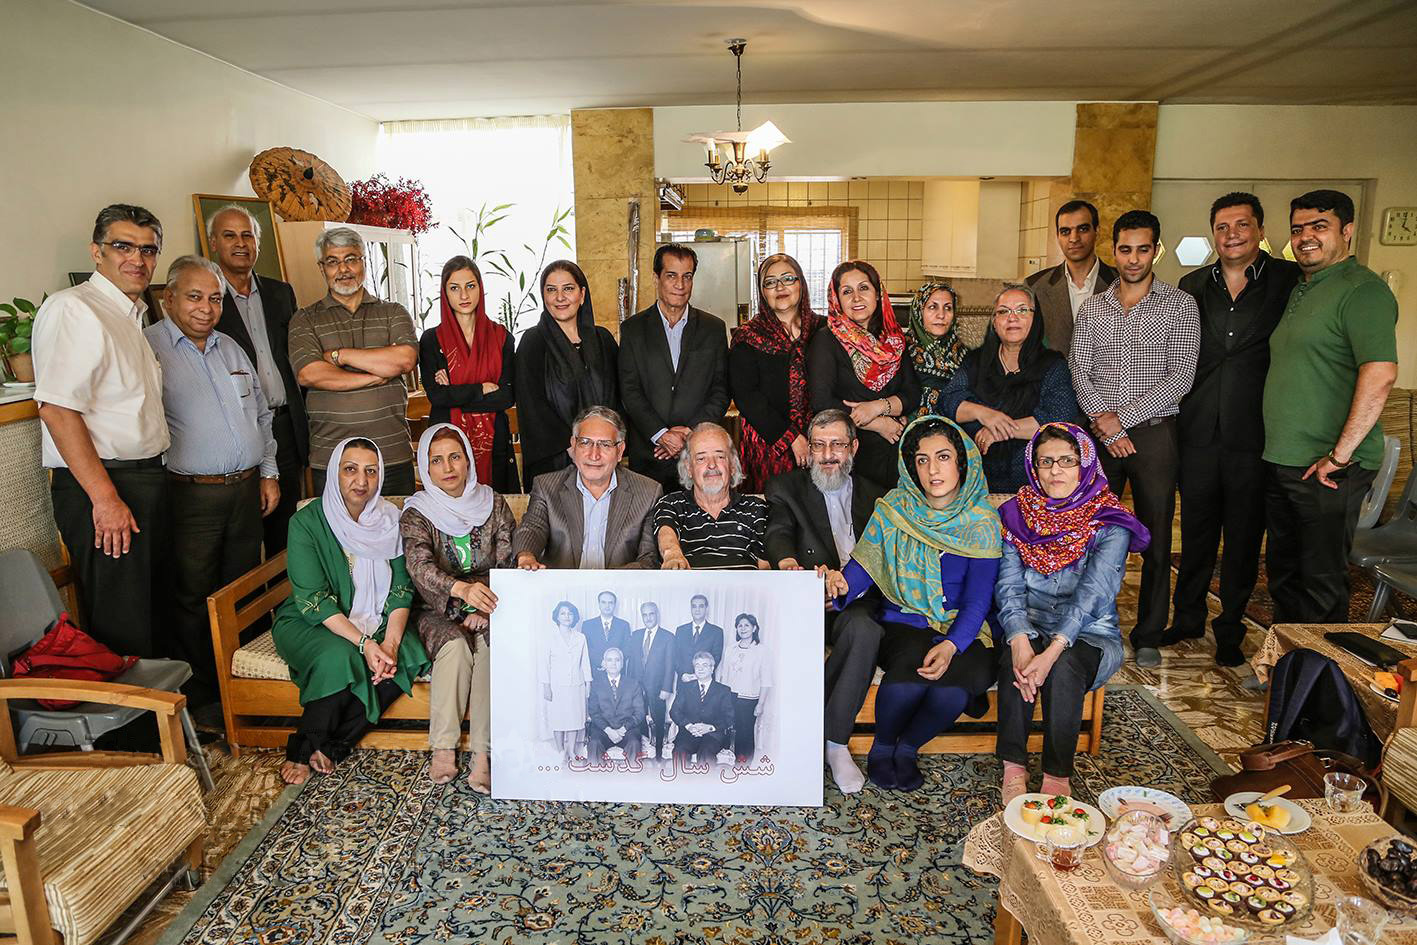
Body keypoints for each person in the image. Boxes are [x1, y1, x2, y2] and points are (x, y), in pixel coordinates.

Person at [824, 416, 1001, 792]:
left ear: (962, 461)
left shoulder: (983, 521)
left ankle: (906, 748)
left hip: (962, 627)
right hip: (904, 623)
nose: (932, 469)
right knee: (903, 684)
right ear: (910, 465)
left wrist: (953, 644)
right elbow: (863, 569)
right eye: (921, 460)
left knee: (952, 691)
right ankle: (882, 746)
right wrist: (835, 588)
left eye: (942, 457)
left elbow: (977, 599)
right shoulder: (894, 509)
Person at [1164, 193, 1301, 666]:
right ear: (1213, 234)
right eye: (1222, 227)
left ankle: (1229, 628)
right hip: (1198, 425)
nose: (1232, 234)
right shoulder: (1192, 285)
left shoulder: (1287, 281)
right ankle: (1186, 619)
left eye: (1242, 224)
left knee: (1243, 537)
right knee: (1197, 532)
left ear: (1260, 230)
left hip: (1255, 429)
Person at [143, 255, 280, 708]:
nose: (206, 307)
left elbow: (260, 414)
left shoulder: (231, 348)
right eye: (195, 297)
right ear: (169, 298)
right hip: (190, 496)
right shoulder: (148, 349)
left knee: (241, 589)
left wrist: (268, 472)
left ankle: (246, 686)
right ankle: (204, 696)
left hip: (246, 491)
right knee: (193, 596)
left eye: (215, 298)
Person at [34, 204, 170, 657]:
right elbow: (57, 410)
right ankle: (129, 729)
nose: (137, 258)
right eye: (122, 246)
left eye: (147, 249)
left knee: (149, 611)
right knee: (121, 620)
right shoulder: (74, 310)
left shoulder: (130, 315)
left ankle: (162, 724)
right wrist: (105, 498)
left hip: (143, 478)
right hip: (105, 484)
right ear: (96, 252)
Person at [1070, 209, 1200, 668]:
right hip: (1100, 437)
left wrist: (1122, 421)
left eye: (1143, 249)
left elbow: (1181, 376)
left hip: (1153, 434)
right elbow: (1079, 370)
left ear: (1156, 250)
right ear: (1114, 250)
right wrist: (1103, 421)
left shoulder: (1179, 306)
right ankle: (1087, 621)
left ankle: (1148, 631)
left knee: (1157, 537)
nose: (1133, 258)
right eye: (1125, 249)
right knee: (1088, 533)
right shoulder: (1095, 308)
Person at [994, 423, 1150, 803]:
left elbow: (1095, 593)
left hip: (1090, 633)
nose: (1055, 471)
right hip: (1030, 623)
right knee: (1014, 659)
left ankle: (1056, 776)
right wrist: (1018, 637)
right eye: (1045, 461)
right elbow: (1009, 586)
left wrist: (1051, 651)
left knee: (1063, 667)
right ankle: (1013, 767)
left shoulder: (1110, 521)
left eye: (1067, 460)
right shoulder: (1017, 514)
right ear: (1033, 466)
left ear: (1085, 464)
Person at [1263, 189, 1399, 624]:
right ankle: (1286, 668)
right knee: (1284, 574)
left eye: (1319, 226)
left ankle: (1320, 682)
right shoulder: (1303, 288)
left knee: (1321, 581)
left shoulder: (1363, 291)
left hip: (1328, 468)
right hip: (1283, 459)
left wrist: (1339, 457)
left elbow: (1380, 374)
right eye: (1298, 228)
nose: (1306, 237)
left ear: (1347, 230)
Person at [272, 438, 431, 785]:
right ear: (334, 474)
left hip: (376, 621)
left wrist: (388, 644)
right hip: (311, 621)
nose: (361, 481)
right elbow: (314, 598)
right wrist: (365, 645)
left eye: (371, 471)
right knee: (340, 655)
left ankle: (335, 743)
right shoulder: (307, 523)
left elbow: (402, 588)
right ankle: (303, 746)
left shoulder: (391, 520)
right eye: (351, 469)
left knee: (411, 651)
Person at [763, 408, 888, 792]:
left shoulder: (879, 494)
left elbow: (884, 555)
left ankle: (834, 744)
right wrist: (789, 568)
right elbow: (779, 532)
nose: (828, 454)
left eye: (837, 444)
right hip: (808, 600)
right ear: (809, 450)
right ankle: (794, 737)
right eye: (819, 445)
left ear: (853, 447)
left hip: (860, 600)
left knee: (866, 631)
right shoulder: (786, 488)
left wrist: (848, 586)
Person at [399, 423, 514, 791]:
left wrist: (485, 606)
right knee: (455, 647)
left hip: (492, 605)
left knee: (490, 648)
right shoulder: (417, 513)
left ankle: (483, 753)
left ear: (468, 461)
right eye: (436, 460)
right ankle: (444, 746)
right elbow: (419, 568)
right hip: (436, 608)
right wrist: (461, 596)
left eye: (455, 457)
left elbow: (507, 560)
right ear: (425, 468)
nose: (447, 467)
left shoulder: (493, 503)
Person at [288, 228, 419, 495]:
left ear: (364, 261)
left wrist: (339, 356)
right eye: (333, 261)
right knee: (336, 538)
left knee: (398, 535)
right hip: (332, 459)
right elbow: (311, 374)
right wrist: (374, 375)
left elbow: (404, 360)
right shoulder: (305, 319)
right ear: (321, 268)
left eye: (351, 258)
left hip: (391, 456)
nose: (343, 269)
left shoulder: (393, 312)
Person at [209, 203, 308, 554]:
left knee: (287, 535)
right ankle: (253, 609)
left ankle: (287, 607)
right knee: (245, 541)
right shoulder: (207, 302)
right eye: (230, 235)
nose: (240, 243)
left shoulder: (281, 293)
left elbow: (297, 358)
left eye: (247, 234)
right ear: (213, 245)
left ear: (258, 243)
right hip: (238, 434)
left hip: (284, 429)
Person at [939, 284, 1080, 493]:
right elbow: (948, 401)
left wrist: (998, 432)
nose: (1012, 318)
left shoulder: (1053, 365)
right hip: (978, 479)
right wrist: (985, 414)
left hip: (1033, 479)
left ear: (1035, 319)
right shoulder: (976, 362)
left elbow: (1058, 417)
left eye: (1022, 310)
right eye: (1003, 311)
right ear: (995, 322)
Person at [618, 244, 731, 490]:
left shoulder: (713, 329)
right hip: (650, 454)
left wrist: (689, 434)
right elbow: (629, 390)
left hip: (699, 455)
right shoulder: (633, 330)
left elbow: (721, 390)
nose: (680, 284)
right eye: (671, 275)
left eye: (687, 276)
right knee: (647, 525)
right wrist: (661, 434)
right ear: (656, 277)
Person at [808, 260, 921, 486]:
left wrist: (878, 407)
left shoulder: (894, 339)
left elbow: (912, 393)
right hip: (852, 455)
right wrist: (878, 424)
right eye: (847, 291)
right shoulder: (826, 340)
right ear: (837, 299)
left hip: (896, 453)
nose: (856, 298)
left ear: (877, 294)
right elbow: (822, 402)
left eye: (864, 288)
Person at [512, 406, 661, 570]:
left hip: (618, 590)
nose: (594, 455)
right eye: (585, 442)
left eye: (605, 445)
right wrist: (526, 555)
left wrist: (603, 582)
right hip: (562, 591)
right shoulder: (547, 486)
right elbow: (532, 528)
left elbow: (649, 558)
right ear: (573, 445)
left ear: (620, 450)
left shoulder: (648, 492)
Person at [515, 261, 619, 491]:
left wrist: (601, 445)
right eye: (551, 290)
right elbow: (532, 406)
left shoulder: (604, 341)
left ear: (582, 294)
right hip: (554, 460)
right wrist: (575, 446)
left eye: (568, 289)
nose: (560, 297)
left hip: (602, 458)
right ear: (543, 296)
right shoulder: (532, 343)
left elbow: (617, 398)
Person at [418, 256, 519, 493]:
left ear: (480, 288)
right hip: (447, 442)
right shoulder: (432, 340)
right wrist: (482, 388)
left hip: (494, 442)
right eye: (455, 288)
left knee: (496, 507)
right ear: (445, 293)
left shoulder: (502, 337)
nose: (464, 296)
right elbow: (437, 398)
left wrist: (454, 392)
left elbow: (505, 397)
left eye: (470, 286)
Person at [729, 253, 823, 492]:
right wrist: (791, 437)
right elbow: (747, 396)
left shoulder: (823, 330)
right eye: (770, 282)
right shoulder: (748, 336)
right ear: (762, 292)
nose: (780, 287)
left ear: (801, 283)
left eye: (788, 278)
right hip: (768, 447)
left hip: (822, 443)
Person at [653, 423, 770, 570]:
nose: (712, 465)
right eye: (701, 459)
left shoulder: (755, 507)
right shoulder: (672, 504)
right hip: (689, 591)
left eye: (720, 456)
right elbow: (667, 537)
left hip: (744, 592)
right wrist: (673, 555)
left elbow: (765, 568)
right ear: (689, 468)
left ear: (733, 465)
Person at [1026, 200, 1117, 355]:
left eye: (1082, 229)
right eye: (1065, 231)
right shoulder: (1035, 286)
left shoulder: (1121, 282)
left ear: (1097, 231)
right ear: (1057, 236)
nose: (1074, 238)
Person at [537, 600, 592, 762]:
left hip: (577, 684)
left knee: (575, 719)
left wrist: (588, 683)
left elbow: (585, 662)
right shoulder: (549, 638)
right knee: (559, 719)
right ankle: (560, 751)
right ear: (557, 616)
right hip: (557, 686)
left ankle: (572, 751)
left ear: (574, 616)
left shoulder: (580, 638)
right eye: (563, 613)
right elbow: (544, 664)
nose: (567, 616)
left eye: (570, 613)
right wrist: (546, 686)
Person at [904, 281, 970, 417]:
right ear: (919, 311)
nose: (941, 315)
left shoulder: (964, 354)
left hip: (954, 430)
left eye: (948, 308)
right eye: (933, 307)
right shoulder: (900, 351)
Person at [719, 614, 773, 764]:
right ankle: (727, 759)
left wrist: (760, 704)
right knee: (727, 729)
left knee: (745, 732)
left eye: (747, 625)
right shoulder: (731, 649)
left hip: (749, 698)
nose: (743, 628)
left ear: (754, 628)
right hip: (730, 696)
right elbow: (724, 675)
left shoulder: (762, 651)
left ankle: (744, 764)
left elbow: (766, 680)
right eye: (740, 625)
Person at [628, 601, 676, 761]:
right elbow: (632, 662)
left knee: (658, 718)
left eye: (651, 614)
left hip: (657, 688)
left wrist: (666, 688)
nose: (648, 617)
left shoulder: (668, 637)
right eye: (645, 614)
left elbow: (670, 665)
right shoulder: (635, 635)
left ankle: (659, 753)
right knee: (638, 717)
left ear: (657, 615)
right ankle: (643, 749)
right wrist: (630, 686)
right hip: (636, 687)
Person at [670, 652, 735, 767]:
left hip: (712, 735)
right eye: (697, 666)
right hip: (689, 733)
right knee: (679, 751)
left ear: (712, 669)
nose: (700, 669)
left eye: (705, 665)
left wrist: (710, 727)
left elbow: (729, 717)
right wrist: (689, 726)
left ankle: (705, 784)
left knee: (706, 754)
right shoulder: (685, 688)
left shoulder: (723, 690)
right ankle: (679, 783)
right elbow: (674, 711)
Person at [588, 647, 644, 763]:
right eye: (609, 660)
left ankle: (634, 779)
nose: (613, 663)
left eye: (617, 660)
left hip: (627, 730)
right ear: (604, 663)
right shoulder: (596, 685)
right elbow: (594, 712)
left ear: (622, 664)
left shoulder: (633, 684)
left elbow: (639, 713)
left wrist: (623, 729)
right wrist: (608, 730)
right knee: (594, 744)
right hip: (603, 730)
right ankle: (593, 779)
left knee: (634, 743)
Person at [672, 594, 725, 684]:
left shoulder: (716, 632)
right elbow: (676, 656)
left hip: (705, 681)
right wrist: (682, 674)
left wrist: (699, 674)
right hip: (684, 681)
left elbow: (716, 657)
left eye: (701, 606)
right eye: (694, 606)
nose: (697, 610)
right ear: (691, 609)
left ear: (706, 609)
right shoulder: (681, 630)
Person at [582, 591, 632, 673]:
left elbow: (627, 648)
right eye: (603, 602)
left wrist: (613, 663)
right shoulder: (587, 625)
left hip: (617, 673)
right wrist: (601, 662)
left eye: (610, 603)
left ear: (615, 605)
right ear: (599, 604)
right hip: (595, 672)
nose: (607, 606)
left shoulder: (624, 625)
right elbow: (586, 649)